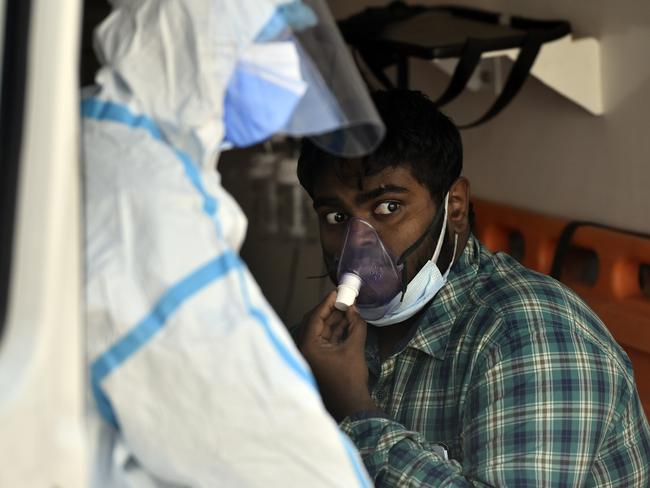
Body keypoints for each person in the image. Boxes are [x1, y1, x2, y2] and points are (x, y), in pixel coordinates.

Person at [295, 89, 650, 486]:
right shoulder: (330, 343)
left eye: (389, 207)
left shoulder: (529, 337)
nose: (356, 244)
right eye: (336, 215)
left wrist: (354, 408)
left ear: (456, 207)